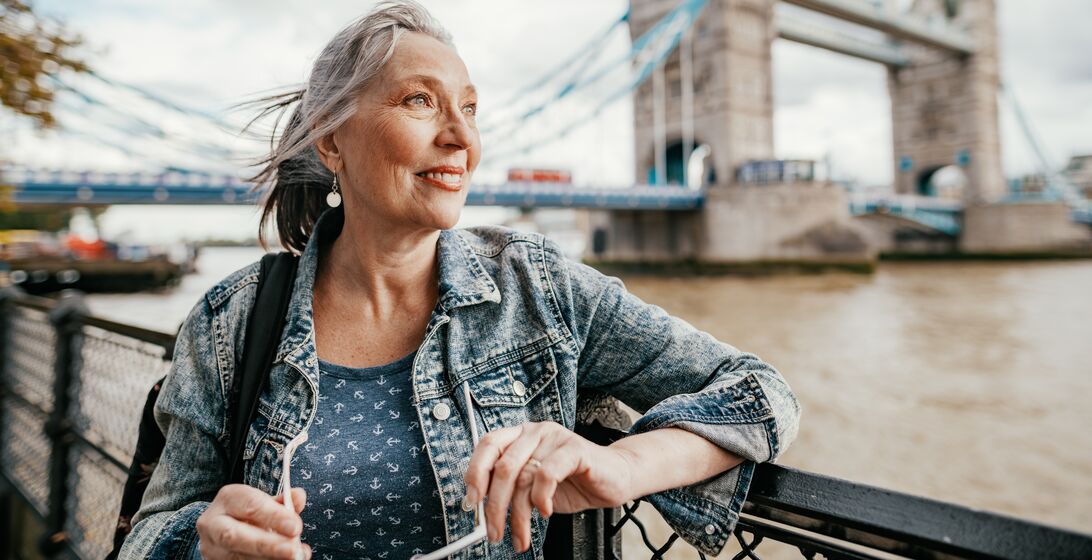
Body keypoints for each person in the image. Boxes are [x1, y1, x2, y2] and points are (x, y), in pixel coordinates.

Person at [118, 2, 801, 559]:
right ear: (331, 142)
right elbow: (147, 536)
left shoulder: (539, 290)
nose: (461, 138)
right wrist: (201, 546)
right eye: (421, 101)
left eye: (470, 109)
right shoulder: (226, 323)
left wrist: (624, 467)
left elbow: (762, 393)